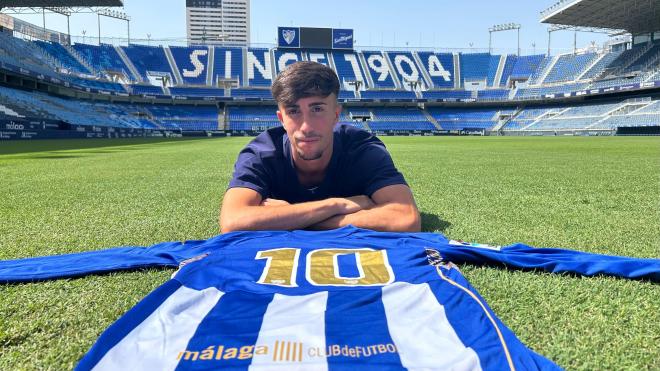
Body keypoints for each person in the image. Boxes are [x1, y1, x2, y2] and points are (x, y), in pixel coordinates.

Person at [219, 61, 420, 233]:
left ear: (335, 114)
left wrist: (288, 217)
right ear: (281, 119)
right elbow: (232, 221)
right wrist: (336, 205)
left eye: (317, 109)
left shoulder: (363, 150)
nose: (306, 127)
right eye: (293, 111)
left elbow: (405, 218)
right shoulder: (260, 154)